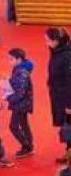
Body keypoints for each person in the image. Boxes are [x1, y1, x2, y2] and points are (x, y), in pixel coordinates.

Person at [46, 27, 71, 163]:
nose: (46, 43)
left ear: (56, 41)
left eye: (48, 40)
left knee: (69, 127)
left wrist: (69, 104)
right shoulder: (56, 52)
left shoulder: (67, 56)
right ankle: (69, 153)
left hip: (66, 99)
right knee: (66, 127)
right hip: (59, 96)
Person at [4, 49, 34, 157]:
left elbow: (20, 92)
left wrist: (8, 97)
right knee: (24, 124)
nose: (9, 61)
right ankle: (29, 144)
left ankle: (27, 146)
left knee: (13, 126)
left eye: (11, 59)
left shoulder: (21, 72)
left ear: (19, 59)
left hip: (21, 104)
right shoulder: (20, 69)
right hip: (24, 103)